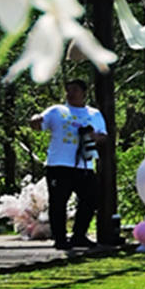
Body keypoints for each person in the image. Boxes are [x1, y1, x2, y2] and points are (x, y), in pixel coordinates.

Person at [36, 76, 106, 254]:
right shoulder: (56, 111)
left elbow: (103, 136)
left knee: (90, 199)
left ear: (84, 93)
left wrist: (93, 136)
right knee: (58, 202)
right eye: (68, 89)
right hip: (59, 164)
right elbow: (39, 123)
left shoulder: (93, 114)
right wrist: (35, 120)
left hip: (84, 165)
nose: (70, 93)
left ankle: (79, 235)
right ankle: (60, 239)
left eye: (75, 89)